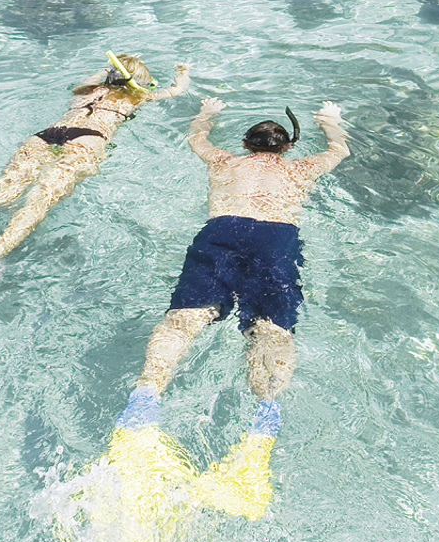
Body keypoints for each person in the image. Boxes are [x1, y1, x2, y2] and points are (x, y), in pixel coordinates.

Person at [106, 96, 349, 520]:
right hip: (276, 239)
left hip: (221, 232)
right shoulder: (300, 169)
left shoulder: (223, 161)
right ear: (287, 147)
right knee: (270, 330)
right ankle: (260, 433)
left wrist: (207, 112)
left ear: (245, 144)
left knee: (183, 321)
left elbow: (195, 138)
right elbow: (339, 150)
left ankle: (142, 408)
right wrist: (331, 120)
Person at [0, 53, 190, 259]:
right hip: (87, 141)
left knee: (4, 196)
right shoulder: (137, 97)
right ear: (136, 84)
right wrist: (183, 71)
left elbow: (88, 80)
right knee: (39, 200)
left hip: (47, 135)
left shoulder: (86, 91)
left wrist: (109, 68)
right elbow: (177, 90)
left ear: (110, 74)